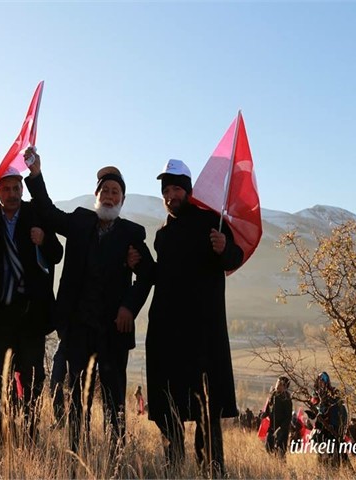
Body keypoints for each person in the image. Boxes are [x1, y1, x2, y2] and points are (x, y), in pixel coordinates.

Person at [24, 150, 155, 455]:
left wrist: (128, 308)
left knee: (113, 401)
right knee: (76, 396)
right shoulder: (80, 222)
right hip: (78, 327)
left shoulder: (132, 235)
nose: (109, 197)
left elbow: (149, 275)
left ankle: (115, 457)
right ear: (97, 195)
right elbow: (47, 210)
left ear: (121, 200)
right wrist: (35, 174)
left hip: (113, 331)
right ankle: (76, 453)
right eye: (105, 191)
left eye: (115, 192)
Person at [139, 159, 243, 477]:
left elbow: (235, 255)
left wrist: (225, 247)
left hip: (203, 331)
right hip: (167, 331)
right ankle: (174, 467)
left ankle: (211, 470)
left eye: (177, 189)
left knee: (206, 408)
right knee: (168, 402)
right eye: (166, 190)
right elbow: (163, 276)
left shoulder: (211, 220)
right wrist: (140, 264)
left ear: (188, 191)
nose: (171, 195)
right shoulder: (162, 235)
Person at [0, 165, 63, 444]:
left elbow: (56, 254)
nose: (13, 193)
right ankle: (1, 428)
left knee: (32, 374)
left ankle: (29, 428)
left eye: (17, 188)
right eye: (7, 188)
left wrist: (43, 240)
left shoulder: (35, 215)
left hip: (31, 313)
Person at [306, 371, 348, 466]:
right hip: (321, 429)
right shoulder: (315, 395)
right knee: (321, 457)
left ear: (327, 381)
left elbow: (341, 411)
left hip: (333, 428)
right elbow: (314, 411)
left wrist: (340, 427)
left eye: (323, 380)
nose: (321, 382)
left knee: (335, 455)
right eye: (319, 380)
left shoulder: (333, 393)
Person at [262, 376, 293, 458]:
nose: (277, 385)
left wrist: (280, 429)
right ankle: (272, 467)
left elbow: (288, 417)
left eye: (280, 384)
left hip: (282, 431)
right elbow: (269, 408)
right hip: (272, 428)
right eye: (277, 382)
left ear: (285, 386)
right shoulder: (273, 395)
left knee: (280, 453)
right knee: (268, 448)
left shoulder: (287, 399)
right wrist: (265, 414)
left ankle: (281, 469)